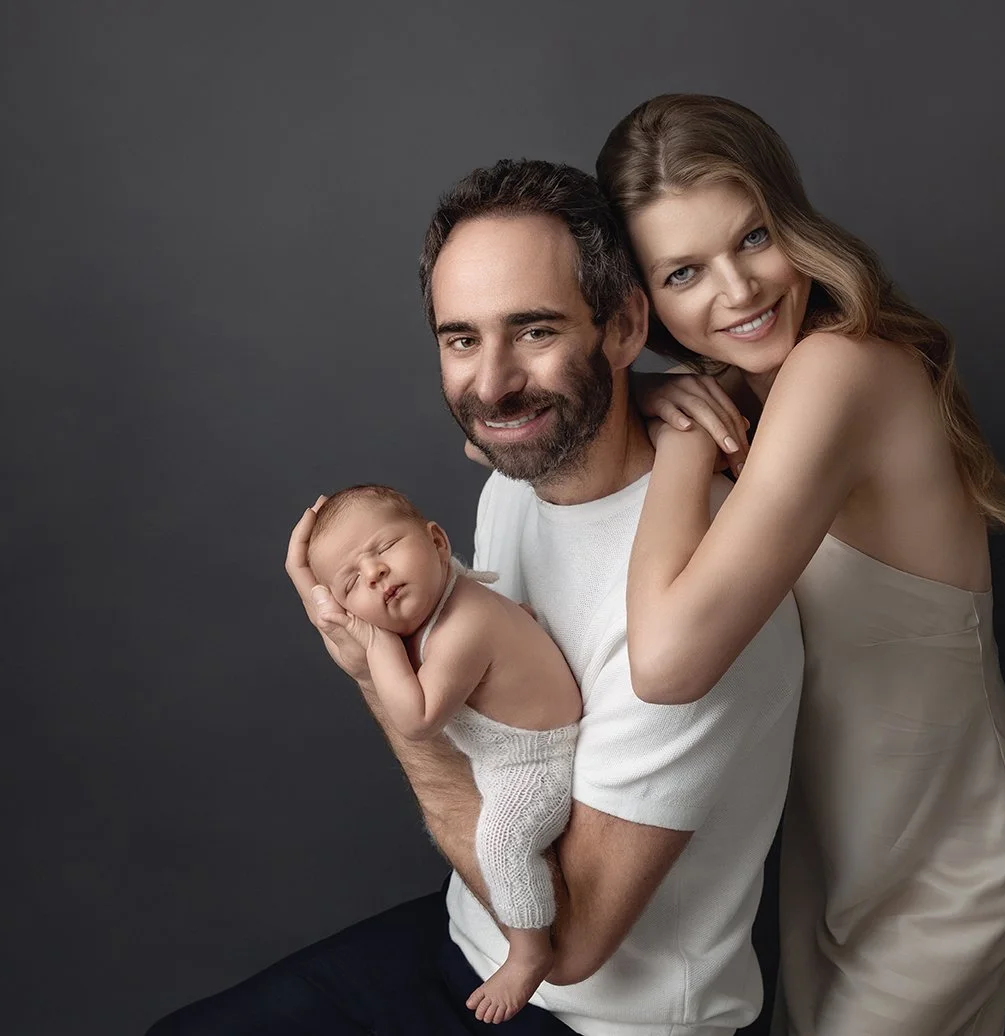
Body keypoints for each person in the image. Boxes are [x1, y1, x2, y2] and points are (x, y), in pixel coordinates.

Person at [147, 158, 802, 1036]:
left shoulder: (704, 590)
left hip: (597, 1011)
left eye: (533, 331)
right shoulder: (518, 482)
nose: (490, 384)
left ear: (624, 325)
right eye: (461, 339)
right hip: (472, 931)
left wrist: (373, 681)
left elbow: (571, 944)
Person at [593, 93, 1005, 1036]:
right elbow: (505, 443)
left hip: (948, 852)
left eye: (753, 236)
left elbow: (667, 663)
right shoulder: (749, 394)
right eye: (685, 270)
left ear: (794, 222)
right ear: (642, 303)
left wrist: (675, 437)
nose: (738, 289)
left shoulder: (839, 369)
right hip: (836, 853)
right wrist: (639, 385)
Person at [303, 482, 583, 1024]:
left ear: (436, 541)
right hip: (503, 749)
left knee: (501, 841)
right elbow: (328, 606)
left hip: (535, 762)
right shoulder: (437, 597)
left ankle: (531, 952)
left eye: (382, 549)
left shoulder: (464, 622)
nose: (375, 573)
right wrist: (305, 576)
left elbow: (417, 721)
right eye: (352, 581)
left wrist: (375, 639)